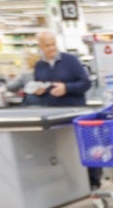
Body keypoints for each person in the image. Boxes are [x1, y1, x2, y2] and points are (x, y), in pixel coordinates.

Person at [30, 31, 99, 189]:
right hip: (53, 115)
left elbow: (85, 83)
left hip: (75, 112)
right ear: (40, 46)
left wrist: (66, 88)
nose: (52, 47)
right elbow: (41, 85)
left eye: (53, 43)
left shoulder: (70, 61)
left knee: (83, 148)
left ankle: (93, 182)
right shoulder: (39, 65)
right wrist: (40, 90)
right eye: (47, 45)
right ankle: (71, 183)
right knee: (62, 151)